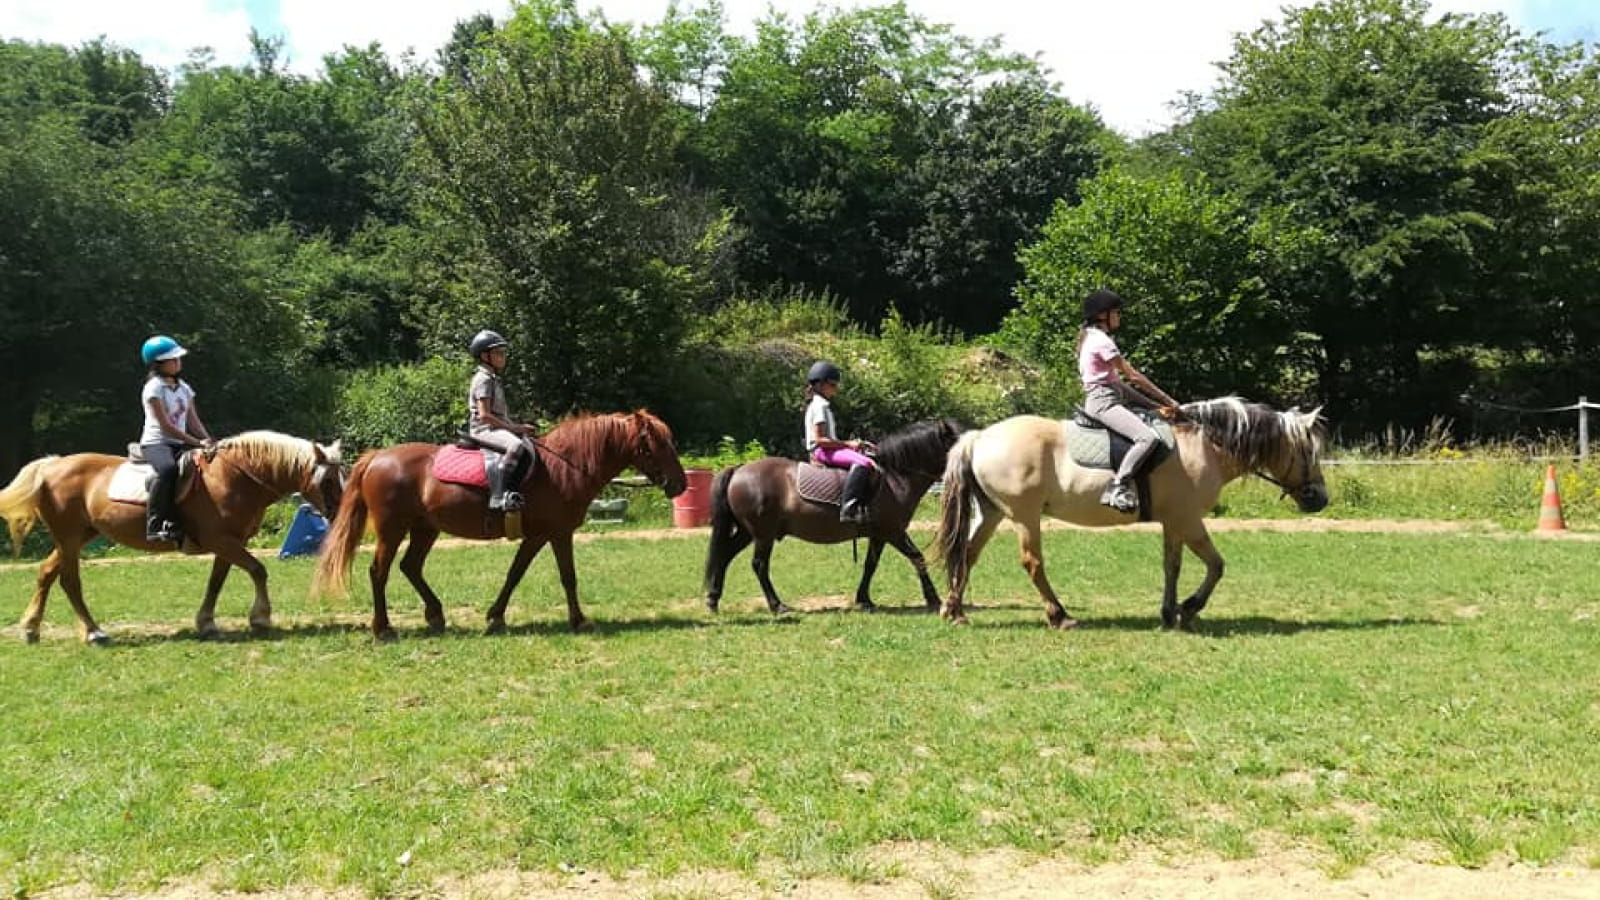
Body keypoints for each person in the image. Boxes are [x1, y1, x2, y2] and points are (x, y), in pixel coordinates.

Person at [1078, 289, 1180, 513]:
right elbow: (1132, 376)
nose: (1119, 317)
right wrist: (1168, 399)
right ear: (1103, 315)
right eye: (1117, 312)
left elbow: (1121, 386)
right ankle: (1117, 486)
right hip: (1104, 403)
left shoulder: (1093, 339)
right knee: (1147, 438)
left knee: (1151, 424)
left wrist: (1153, 406)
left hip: (1109, 398)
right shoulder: (1102, 342)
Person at [138, 335, 214, 543]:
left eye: (178, 358)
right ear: (158, 364)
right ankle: (155, 524)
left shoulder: (184, 388)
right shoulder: (153, 388)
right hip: (157, 443)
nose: (178, 362)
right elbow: (166, 427)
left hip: (180, 442)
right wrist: (197, 442)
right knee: (168, 470)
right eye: (172, 359)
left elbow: (193, 420)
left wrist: (208, 440)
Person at [467, 330, 538, 511]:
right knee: (516, 446)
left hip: (495, 428)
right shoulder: (483, 379)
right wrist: (515, 428)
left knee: (529, 444)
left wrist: (517, 427)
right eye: (498, 353)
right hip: (484, 430)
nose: (503, 357)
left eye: (503, 353)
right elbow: (485, 415)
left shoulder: (493, 379)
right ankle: (499, 496)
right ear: (485, 356)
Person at [803, 360, 877, 524]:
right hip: (821, 451)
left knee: (863, 454)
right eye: (833, 384)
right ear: (821, 385)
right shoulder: (820, 406)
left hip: (827, 449)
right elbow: (820, 439)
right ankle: (848, 509)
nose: (836, 388)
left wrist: (855, 444)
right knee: (864, 463)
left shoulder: (819, 405)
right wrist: (848, 444)